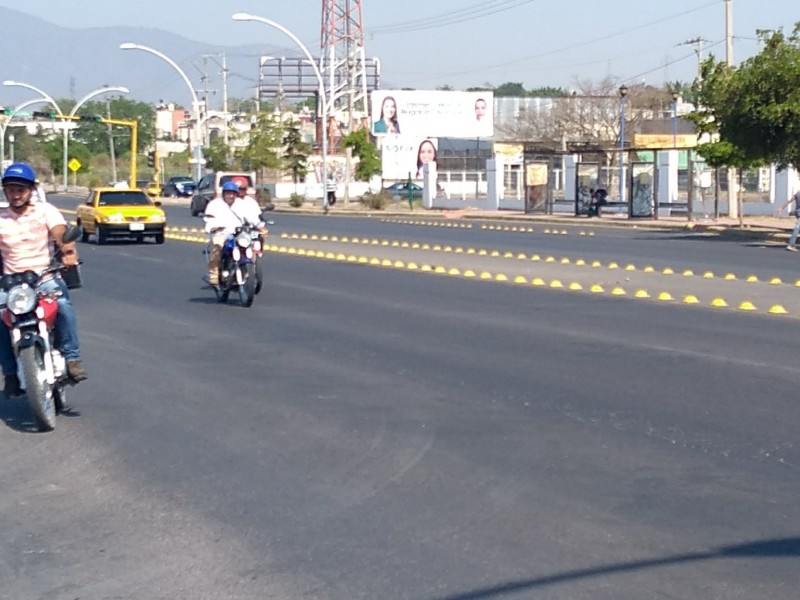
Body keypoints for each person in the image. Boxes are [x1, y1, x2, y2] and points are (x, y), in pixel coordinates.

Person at [0, 163, 87, 397]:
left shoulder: (45, 211)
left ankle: (72, 358)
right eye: (10, 189)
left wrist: (68, 253)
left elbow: (60, 232)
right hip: (10, 283)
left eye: (20, 189)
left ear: (31, 190)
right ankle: (9, 374)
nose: (16, 194)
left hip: (44, 278)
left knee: (63, 306)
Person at [204, 181, 266, 286]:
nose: (230, 196)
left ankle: (247, 271)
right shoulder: (214, 204)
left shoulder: (241, 204)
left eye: (233, 193)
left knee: (250, 247)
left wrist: (259, 226)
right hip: (222, 234)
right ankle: (214, 274)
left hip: (239, 234)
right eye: (228, 193)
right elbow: (209, 219)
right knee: (217, 247)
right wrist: (213, 227)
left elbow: (251, 218)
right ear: (223, 193)